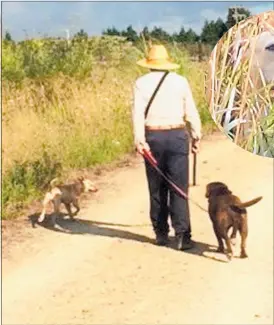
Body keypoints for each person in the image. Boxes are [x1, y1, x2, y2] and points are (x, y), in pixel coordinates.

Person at [132, 44, 202, 250]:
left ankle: (161, 232)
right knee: (179, 188)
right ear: (167, 62)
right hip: (177, 135)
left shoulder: (140, 83)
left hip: (153, 136)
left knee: (156, 187)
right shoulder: (180, 81)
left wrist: (139, 139)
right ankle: (182, 236)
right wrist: (196, 135)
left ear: (149, 64)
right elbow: (191, 111)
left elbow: (137, 113)